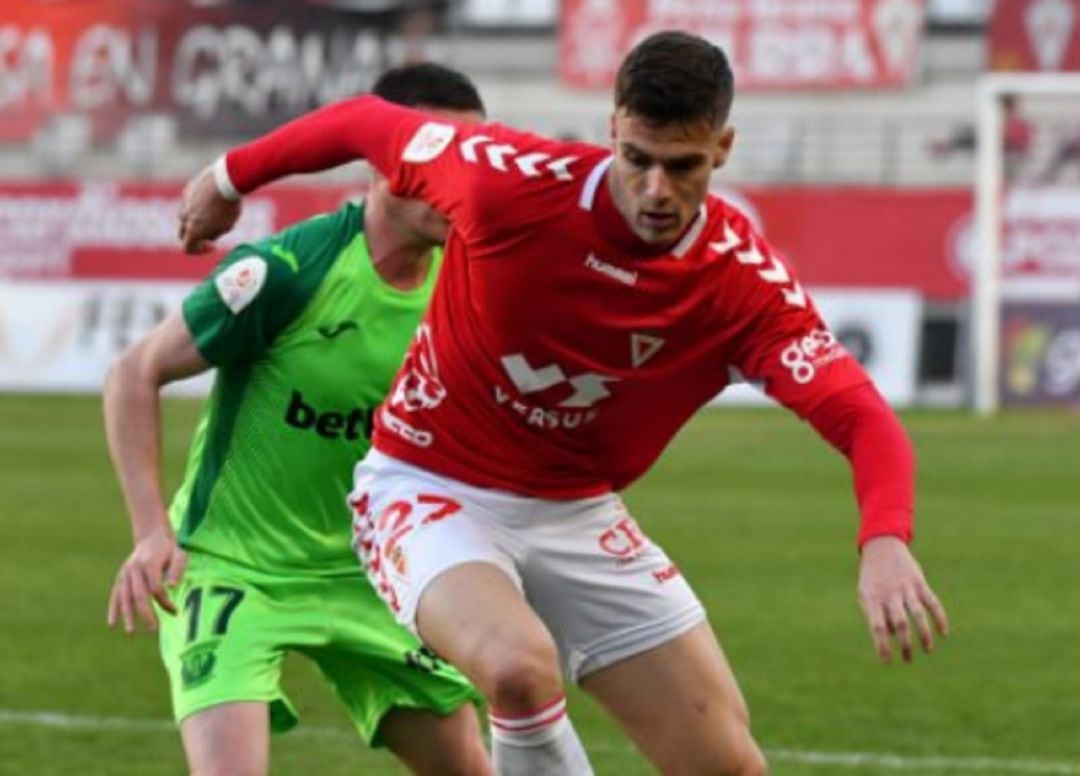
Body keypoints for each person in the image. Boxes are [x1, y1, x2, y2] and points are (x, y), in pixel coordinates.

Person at [178, 31, 951, 775]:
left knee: (724, 764)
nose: (655, 190)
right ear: (612, 127)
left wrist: (885, 538)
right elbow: (364, 123)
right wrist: (224, 180)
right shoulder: (506, 181)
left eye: (683, 166)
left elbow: (861, 416)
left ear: (723, 148)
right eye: (637, 158)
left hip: (578, 512)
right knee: (517, 668)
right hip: (426, 486)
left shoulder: (740, 285)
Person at [105, 63, 492, 776]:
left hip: (373, 575)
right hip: (234, 569)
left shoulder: (474, 277)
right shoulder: (288, 271)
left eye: (468, 160)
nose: (457, 180)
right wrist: (150, 530)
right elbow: (135, 372)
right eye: (438, 158)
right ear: (382, 161)